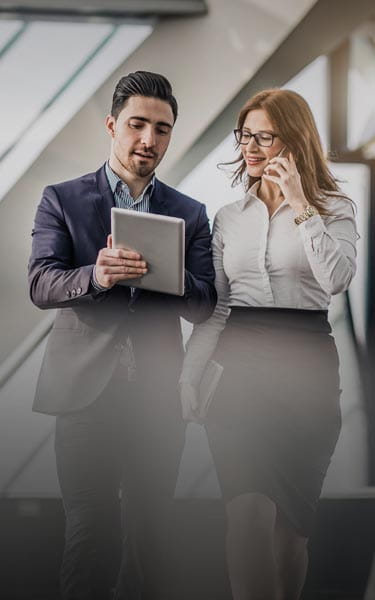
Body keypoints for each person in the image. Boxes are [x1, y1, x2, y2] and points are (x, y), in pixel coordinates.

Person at [28, 71, 217, 600]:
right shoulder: (61, 200)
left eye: (162, 129)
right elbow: (41, 283)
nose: (148, 141)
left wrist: (169, 275)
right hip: (84, 396)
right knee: (91, 535)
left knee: (152, 540)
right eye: (137, 125)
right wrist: (97, 275)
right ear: (112, 125)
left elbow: (206, 305)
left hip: (156, 398)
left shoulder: (189, 214)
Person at [179, 88, 357, 600]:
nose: (250, 147)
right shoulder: (229, 217)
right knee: (247, 513)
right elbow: (217, 308)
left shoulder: (335, 208)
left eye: (264, 136)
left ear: (295, 141)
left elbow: (338, 279)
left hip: (307, 372)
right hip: (238, 369)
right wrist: (190, 375)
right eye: (245, 135)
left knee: (291, 534)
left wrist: (302, 205)